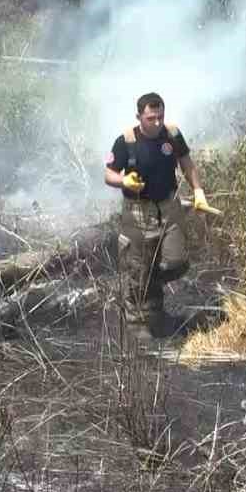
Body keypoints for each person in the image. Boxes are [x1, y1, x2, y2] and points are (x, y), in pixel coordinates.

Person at [102, 92, 214, 342]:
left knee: (176, 261)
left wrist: (198, 192)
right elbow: (108, 175)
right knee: (137, 269)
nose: (156, 122)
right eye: (151, 118)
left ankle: (153, 297)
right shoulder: (125, 141)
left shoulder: (172, 135)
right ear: (139, 116)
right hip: (138, 211)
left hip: (169, 206)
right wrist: (124, 180)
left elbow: (187, 163)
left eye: (160, 117)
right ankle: (139, 323)